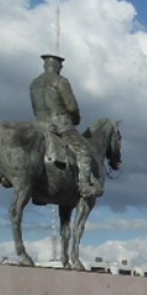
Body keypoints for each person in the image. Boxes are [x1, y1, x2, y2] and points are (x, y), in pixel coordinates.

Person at [30, 54, 101, 197]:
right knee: (83, 153)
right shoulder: (61, 81)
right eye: (60, 65)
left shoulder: (34, 83)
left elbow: (35, 108)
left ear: (45, 65)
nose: (61, 68)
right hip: (61, 125)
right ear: (57, 66)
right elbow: (72, 106)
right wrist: (75, 119)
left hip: (39, 125)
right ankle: (85, 185)